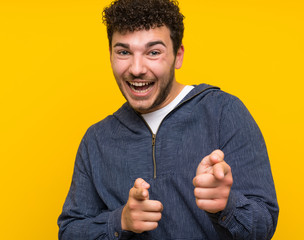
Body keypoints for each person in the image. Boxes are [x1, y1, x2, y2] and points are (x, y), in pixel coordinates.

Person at [57, 0, 279, 239]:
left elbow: (264, 226)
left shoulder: (224, 112)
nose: (137, 68)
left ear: (178, 56)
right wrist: (120, 221)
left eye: (153, 52)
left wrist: (227, 205)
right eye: (123, 52)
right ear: (110, 54)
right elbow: (70, 231)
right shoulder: (96, 141)